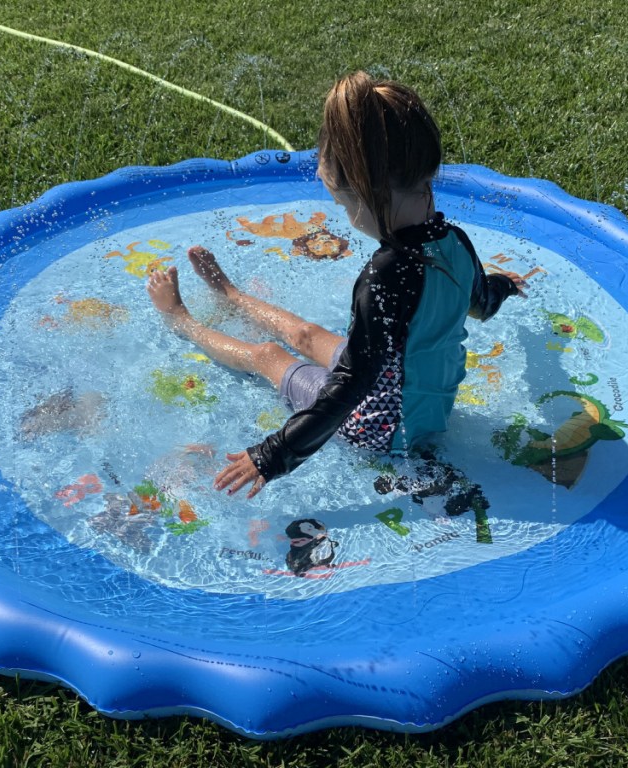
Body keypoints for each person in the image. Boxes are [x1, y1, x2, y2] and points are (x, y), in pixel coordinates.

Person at [147, 71, 527, 499]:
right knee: (305, 334)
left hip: (381, 427)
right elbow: (482, 302)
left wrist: (275, 453)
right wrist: (503, 285)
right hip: (425, 408)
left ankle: (181, 320)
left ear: (367, 191)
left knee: (268, 354)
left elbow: (351, 387)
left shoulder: (384, 275)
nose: (347, 217)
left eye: (344, 204)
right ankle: (232, 296)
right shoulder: (454, 241)